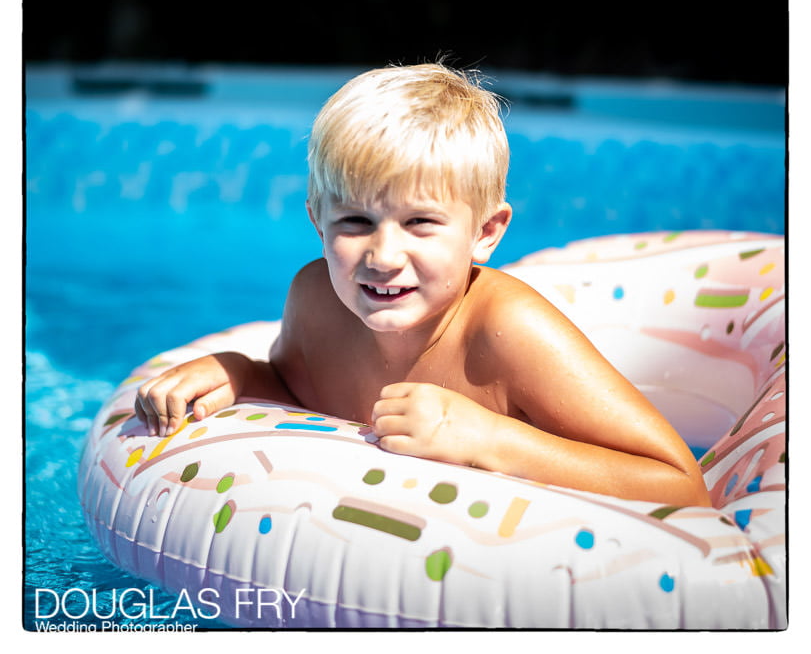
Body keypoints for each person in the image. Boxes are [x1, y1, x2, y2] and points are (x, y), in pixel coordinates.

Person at [135, 63, 710, 507]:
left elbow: (681, 484)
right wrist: (240, 373)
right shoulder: (314, 299)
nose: (383, 256)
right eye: (355, 222)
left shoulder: (506, 333)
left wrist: (490, 440)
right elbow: (297, 394)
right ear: (317, 220)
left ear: (485, 233)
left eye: (420, 223)